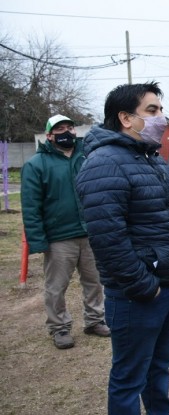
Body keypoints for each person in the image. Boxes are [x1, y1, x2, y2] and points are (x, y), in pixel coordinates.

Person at [75, 82, 169, 414]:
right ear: (126, 118)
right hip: (138, 295)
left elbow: (165, 222)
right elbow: (107, 238)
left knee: (159, 369)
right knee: (129, 378)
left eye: (161, 110)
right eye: (152, 111)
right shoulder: (105, 163)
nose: (161, 117)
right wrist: (143, 286)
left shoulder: (152, 159)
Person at [20, 114, 110, 350]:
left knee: (94, 281)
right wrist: (38, 241)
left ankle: (94, 320)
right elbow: (31, 207)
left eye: (70, 127)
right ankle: (59, 328)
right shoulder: (35, 165)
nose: (67, 132)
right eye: (60, 129)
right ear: (49, 135)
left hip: (90, 232)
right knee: (56, 286)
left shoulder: (86, 157)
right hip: (59, 238)